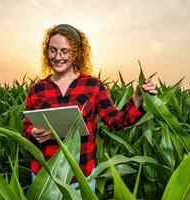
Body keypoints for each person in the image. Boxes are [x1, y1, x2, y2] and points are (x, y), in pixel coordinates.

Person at [22, 24, 157, 188]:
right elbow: (26, 128)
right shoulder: (36, 89)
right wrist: (33, 133)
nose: (58, 56)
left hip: (81, 177)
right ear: (47, 52)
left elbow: (115, 121)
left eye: (65, 51)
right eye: (52, 50)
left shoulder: (93, 85)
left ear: (77, 53)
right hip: (44, 176)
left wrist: (136, 99)